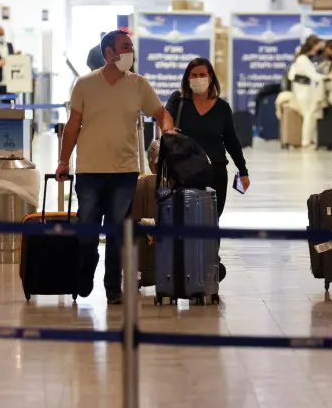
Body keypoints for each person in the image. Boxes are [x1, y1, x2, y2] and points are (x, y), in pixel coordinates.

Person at [57, 30, 176, 305]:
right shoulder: (85, 84)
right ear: (109, 52)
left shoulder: (139, 84)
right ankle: (88, 267)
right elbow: (73, 126)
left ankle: (112, 287)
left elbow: (161, 114)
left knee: (116, 232)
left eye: (131, 47)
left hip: (124, 172)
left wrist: (168, 131)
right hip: (89, 171)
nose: (129, 53)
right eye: (124, 47)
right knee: (87, 230)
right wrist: (64, 161)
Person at [165, 58, 251, 219]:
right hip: (184, 173)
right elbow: (165, 117)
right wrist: (168, 129)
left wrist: (243, 171)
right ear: (187, 78)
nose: (198, 78)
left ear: (210, 77)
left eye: (202, 74)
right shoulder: (178, 100)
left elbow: (231, 141)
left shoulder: (222, 108)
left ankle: (211, 245)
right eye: (194, 75)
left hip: (215, 172)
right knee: (184, 220)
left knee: (212, 220)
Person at [286, 37, 327, 147]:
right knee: (308, 115)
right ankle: (306, 141)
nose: (321, 48)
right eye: (319, 46)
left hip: (304, 90)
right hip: (304, 91)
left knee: (310, 115)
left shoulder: (301, 58)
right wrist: (328, 77)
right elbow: (312, 75)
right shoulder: (302, 59)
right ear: (313, 46)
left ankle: (312, 140)